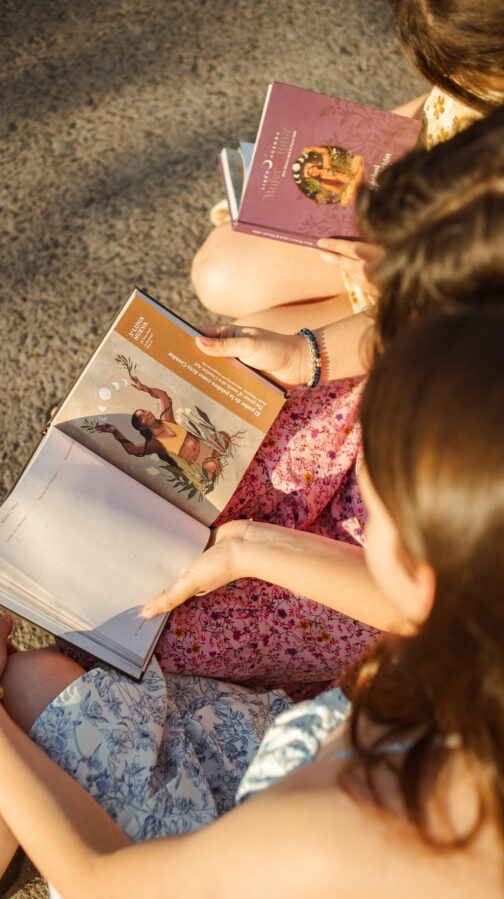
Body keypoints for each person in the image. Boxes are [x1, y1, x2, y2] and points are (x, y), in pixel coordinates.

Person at [0, 310, 503, 898]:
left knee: (17, 702)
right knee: (45, 689)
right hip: (271, 753)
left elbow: (104, 880)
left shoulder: (362, 816)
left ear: (427, 581)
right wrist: (247, 543)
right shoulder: (466, 675)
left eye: (379, 519)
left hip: (214, 844)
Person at [148, 106, 504, 699]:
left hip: (372, 578)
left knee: (158, 630)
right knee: (180, 472)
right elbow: (400, 321)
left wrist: (253, 549)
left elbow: (422, 609)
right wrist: (303, 356)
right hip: (365, 438)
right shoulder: (461, 309)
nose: (363, 277)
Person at [191, 0, 504, 332]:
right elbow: (437, 105)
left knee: (244, 336)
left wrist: (395, 273)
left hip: (425, 274)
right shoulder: (480, 57)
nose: (452, 80)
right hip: (385, 211)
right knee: (217, 274)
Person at [96, 373, 230, 487]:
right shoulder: (154, 443)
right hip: (196, 466)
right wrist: (115, 431)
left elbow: (164, 396)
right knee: (213, 465)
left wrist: (144, 388)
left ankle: (213, 461)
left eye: (143, 410)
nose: (146, 413)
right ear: (142, 427)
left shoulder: (167, 419)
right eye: (141, 416)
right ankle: (210, 466)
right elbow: (132, 449)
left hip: (204, 449)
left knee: (223, 437)